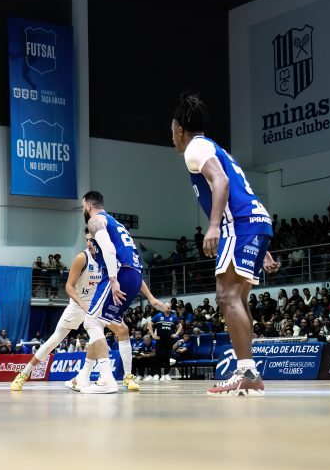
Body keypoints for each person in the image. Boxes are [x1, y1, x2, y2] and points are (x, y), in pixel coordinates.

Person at [171, 93, 277, 397]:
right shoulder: (215, 147)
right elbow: (241, 188)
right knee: (239, 297)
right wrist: (262, 244)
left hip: (240, 225)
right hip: (256, 222)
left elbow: (221, 182)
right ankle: (250, 373)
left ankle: (246, 372)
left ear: (179, 129)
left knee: (226, 295)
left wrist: (214, 224)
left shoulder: (195, 148)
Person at [10, 228, 167, 392]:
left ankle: (125, 378)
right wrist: (84, 306)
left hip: (98, 303)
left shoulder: (109, 257)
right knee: (54, 340)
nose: (89, 243)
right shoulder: (81, 258)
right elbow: (69, 287)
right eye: (87, 240)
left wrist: (151, 298)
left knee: (122, 330)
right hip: (78, 304)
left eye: (92, 239)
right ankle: (24, 374)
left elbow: (133, 275)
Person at [75, 190, 146, 394]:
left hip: (120, 274)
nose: (83, 210)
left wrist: (114, 280)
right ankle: (91, 375)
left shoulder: (95, 220)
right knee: (105, 324)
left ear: (88, 206)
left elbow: (109, 250)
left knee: (90, 321)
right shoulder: (116, 223)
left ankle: (106, 379)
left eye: (83, 206)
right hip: (135, 275)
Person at [147, 305, 181, 382]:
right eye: (166, 307)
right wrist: (153, 335)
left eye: (169, 308)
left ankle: (166, 374)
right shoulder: (158, 316)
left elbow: (180, 326)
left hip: (169, 340)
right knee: (158, 357)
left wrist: (176, 334)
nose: (168, 309)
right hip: (160, 340)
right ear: (163, 308)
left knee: (167, 357)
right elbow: (150, 324)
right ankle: (157, 374)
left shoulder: (174, 317)